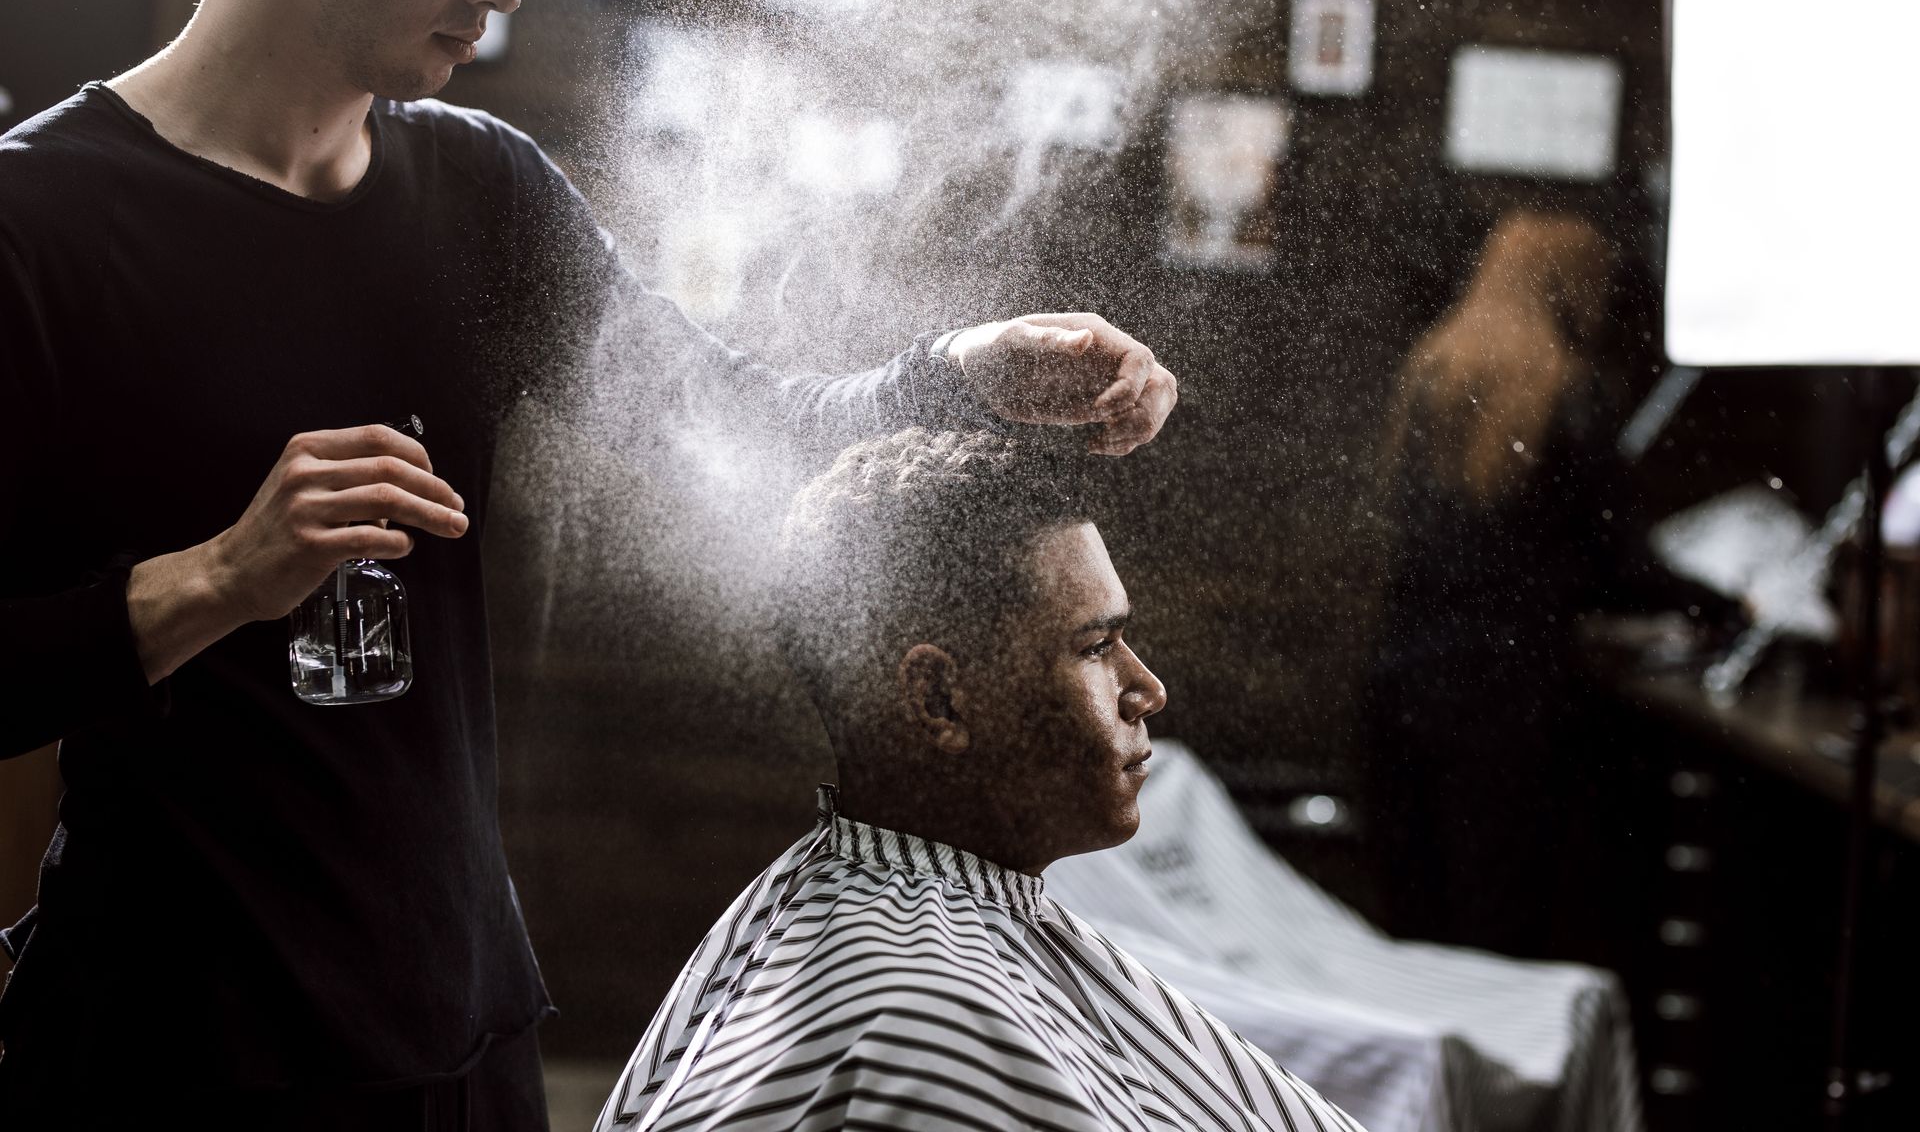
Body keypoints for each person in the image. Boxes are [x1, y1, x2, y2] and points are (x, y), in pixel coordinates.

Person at [0, 0, 1178, 1126]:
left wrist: (957, 373)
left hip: (459, 1030)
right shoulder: (41, 219)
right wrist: (218, 579)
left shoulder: (483, 195)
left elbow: (730, 419)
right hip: (165, 1044)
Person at [596, 430, 1361, 1132]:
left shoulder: (859, 912)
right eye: (1096, 647)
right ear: (941, 699)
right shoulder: (925, 1020)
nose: (1148, 689)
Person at [1364, 207, 1626, 957]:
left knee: (1417, 911)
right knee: (1497, 920)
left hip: (1404, 679)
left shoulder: (1433, 368)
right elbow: (1617, 562)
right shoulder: (1569, 392)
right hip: (1507, 699)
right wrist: (1729, 601)